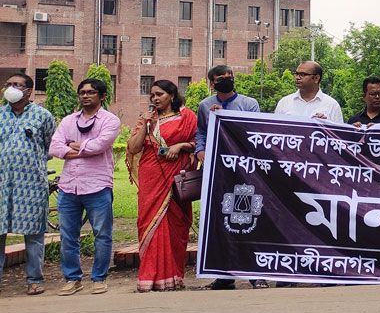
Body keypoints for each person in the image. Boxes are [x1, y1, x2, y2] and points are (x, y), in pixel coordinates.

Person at [47, 79, 119, 295]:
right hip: (69, 186)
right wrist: (83, 148)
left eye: (91, 92)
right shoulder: (69, 121)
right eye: (82, 92)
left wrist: (73, 146)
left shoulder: (110, 120)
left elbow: (100, 145)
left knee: (102, 234)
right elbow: (54, 146)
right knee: (68, 235)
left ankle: (99, 278)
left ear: (102, 96)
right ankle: (72, 279)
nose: (86, 96)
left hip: (98, 185)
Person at [194, 65, 263, 290]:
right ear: (212, 83)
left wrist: (225, 118)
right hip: (218, 171)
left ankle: (255, 274)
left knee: (250, 219)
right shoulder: (205, 105)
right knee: (222, 220)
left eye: (229, 77)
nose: (227, 80)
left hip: (244, 170)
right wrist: (200, 151)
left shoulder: (249, 103)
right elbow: (201, 132)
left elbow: (254, 130)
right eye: (221, 78)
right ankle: (224, 274)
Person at [126, 80, 197, 291]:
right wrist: (145, 125)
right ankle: (149, 277)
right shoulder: (147, 119)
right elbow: (133, 147)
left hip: (176, 176)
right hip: (151, 176)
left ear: (172, 96)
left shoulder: (187, 117)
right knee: (149, 222)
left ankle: (173, 276)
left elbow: (199, 141)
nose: (155, 98)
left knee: (176, 224)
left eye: (160, 94)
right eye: (153, 95)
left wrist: (181, 145)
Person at [0, 73, 56, 296]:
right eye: (9, 84)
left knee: (34, 233)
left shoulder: (43, 116)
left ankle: (35, 279)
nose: (11, 88)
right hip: (2, 185)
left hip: (31, 184)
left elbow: (51, 146)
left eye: (17, 85)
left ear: (28, 91)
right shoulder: (0, 115)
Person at [275, 61, 343, 122]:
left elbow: (339, 134)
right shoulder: (284, 102)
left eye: (302, 74)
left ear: (316, 78)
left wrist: (325, 124)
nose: (297, 78)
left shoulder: (332, 105)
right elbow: (274, 129)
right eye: (296, 74)